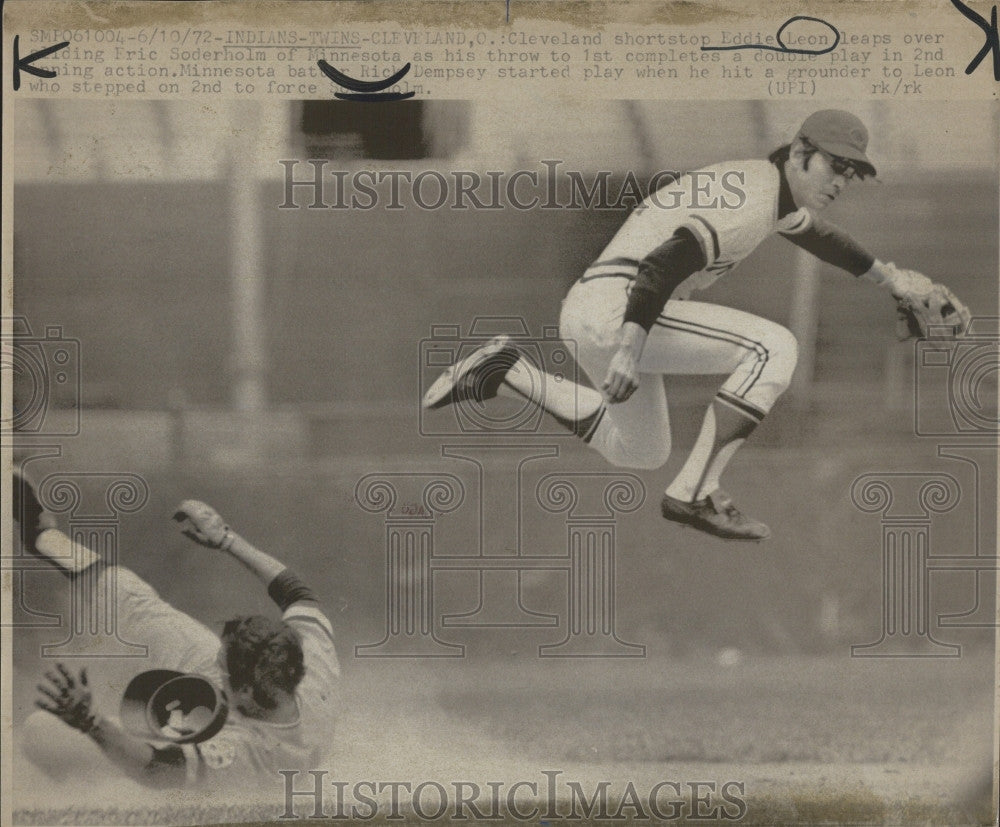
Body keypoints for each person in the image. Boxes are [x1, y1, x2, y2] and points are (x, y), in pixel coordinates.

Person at [423, 110, 969, 541]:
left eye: (851, 174)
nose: (842, 181)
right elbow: (664, 264)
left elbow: (821, 237)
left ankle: (508, 371)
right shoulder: (750, 198)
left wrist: (892, 279)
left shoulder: (767, 192)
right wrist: (629, 349)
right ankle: (698, 492)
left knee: (639, 451)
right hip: (621, 308)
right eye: (835, 166)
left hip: (598, 309)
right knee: (772, 346)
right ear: (801, 153)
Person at [14, 465, 340, 788]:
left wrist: (92, 722)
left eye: (223, 667)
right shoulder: (310, 676)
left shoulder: (248, 754)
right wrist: (227, 539)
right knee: (139, 604)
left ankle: (84, 778)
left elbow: (158, 769)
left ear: (241, 691)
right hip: (249, 703)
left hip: (217, 737)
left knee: (39, 732)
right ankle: (41, 534)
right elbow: (297, 593)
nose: (217, 661)